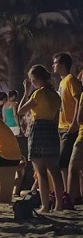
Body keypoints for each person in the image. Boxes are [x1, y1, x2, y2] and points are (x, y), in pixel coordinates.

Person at [18, 65, 64, 212]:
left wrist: (26, 92)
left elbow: (20, 111)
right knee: (55, 171)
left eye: (32, 80)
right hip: (51, 130)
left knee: (41, 172)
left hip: (38, 130)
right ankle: (59, 205)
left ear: (36, 79)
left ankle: (45, 205)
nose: (31, 83)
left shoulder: (38, 94)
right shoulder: (55, 95)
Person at [53, 53, 82, 192]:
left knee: (63, 163)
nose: (53, 65)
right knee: (65, 163)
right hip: (62, 126)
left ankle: (67, 194)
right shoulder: (62, 81)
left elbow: (78, 100)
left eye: (55, 63)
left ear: (63, 64)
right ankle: (69, 193)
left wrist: (75, 123)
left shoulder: (71, 80)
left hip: (69, 127)